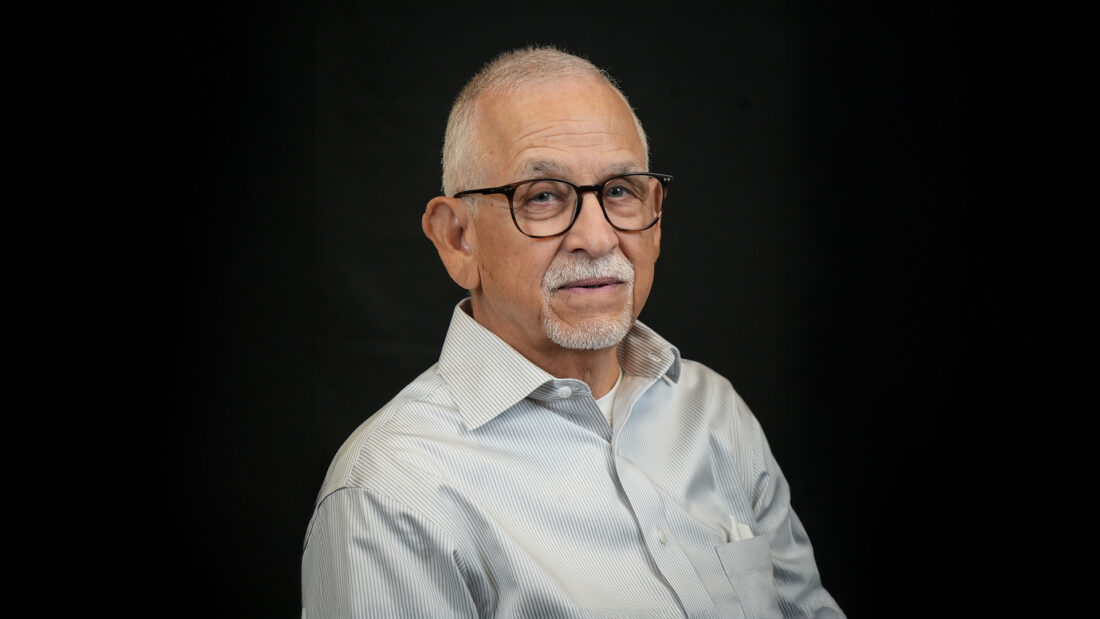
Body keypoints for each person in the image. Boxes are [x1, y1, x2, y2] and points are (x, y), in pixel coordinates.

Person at [302, 46, 844, 618]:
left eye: (619, 191)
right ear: (458, 239)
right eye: (542, 197)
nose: (598, 237)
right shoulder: (391, 493)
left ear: (655, 216)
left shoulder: (714, 412)